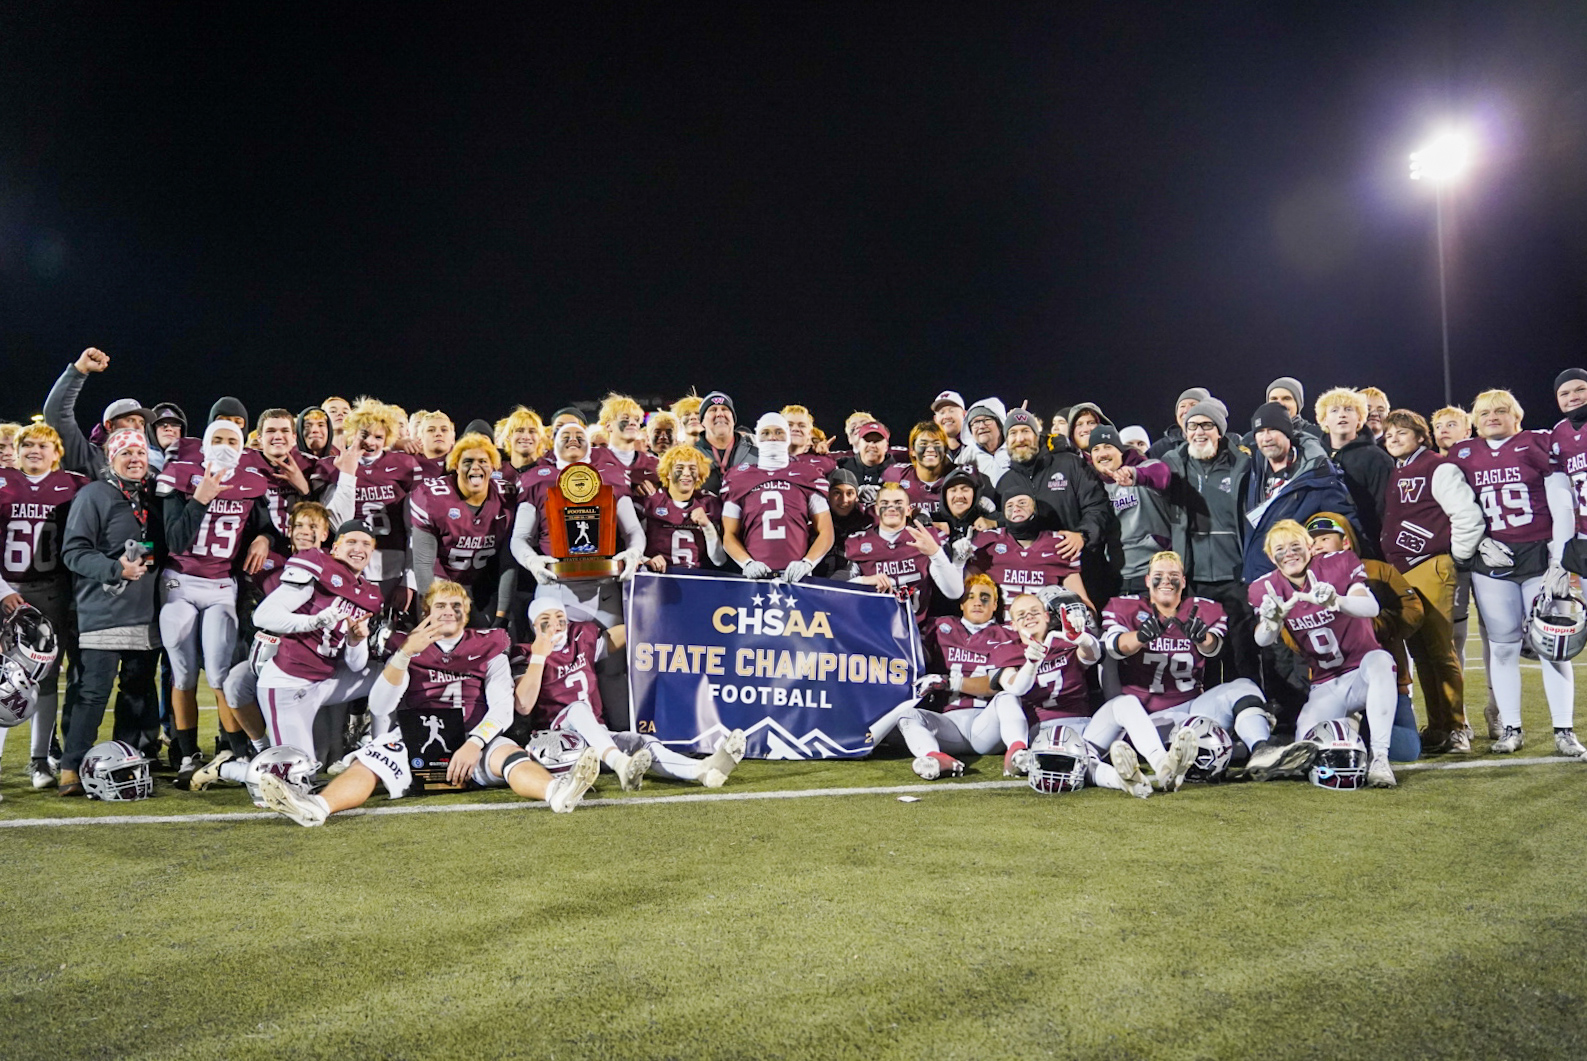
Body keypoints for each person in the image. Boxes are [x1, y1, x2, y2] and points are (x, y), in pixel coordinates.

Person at [256, 582, 601, 826]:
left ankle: (557, 792)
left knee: (510, 757)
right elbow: (379, 706)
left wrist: (474, 743)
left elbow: (502, 708)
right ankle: (316, 807)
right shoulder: (408, 646)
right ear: (427, 611)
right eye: (440, 606)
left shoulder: (490, 644)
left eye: (456, 606)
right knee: (366, 766)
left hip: (474, 735)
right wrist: (405, 654)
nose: (449, 612)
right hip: (415, 738)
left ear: (466, 612)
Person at [1446, 389, 1581, 757]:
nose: (1493, 416)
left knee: (1553, 647)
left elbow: (1560, 499)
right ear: (1474, 420)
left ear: (1516, 416)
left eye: (1501, 410)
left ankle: (1564, 731)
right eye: (1485, 412)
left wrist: (1559, 555)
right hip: (1493, 560)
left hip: (1539, 556)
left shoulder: (1538, 441)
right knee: (1503, 647)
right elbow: (1455, 504)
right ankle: (1511, 728)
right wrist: (1477, 541)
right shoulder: (1463, 453)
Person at [1088, 551, 1291, 789]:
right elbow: (1114, 647)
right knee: (1127, 702)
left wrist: (1201, 638)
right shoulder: (1125, 607)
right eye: (1159, 575)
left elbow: (1213, 649)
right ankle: (1165, 759)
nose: (1166, 580)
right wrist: (1141, 637)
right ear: (1147, 580)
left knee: (1243, 686)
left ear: (1183, 581)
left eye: (1174, 575)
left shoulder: (1204, 610)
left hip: (1191, 711)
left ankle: (1263, 750)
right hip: (1144, 718)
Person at [511, 598, 746, 789]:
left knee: (642, 742)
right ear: (533, 626)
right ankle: (620, 763)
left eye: (560, 618)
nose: (555, 625)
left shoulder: (581, 639)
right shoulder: (525, 653)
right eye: (545, 620)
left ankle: (702, 770)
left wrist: (662, 612)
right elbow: (523, 705)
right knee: (578, 709)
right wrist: (540, 655)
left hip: (595, 741)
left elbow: (629, 630)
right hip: (552, 742)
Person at [155, 420, 274, 784]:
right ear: (205, 444)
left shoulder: (252, 481)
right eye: (217, 439)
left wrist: (264, 538)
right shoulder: (181, 474)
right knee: (184, 671)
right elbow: (175, 540)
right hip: (180, 581)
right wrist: (201, 497)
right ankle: (187, 751)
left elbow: (265, 524)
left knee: (221, 673)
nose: (224, 445)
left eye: (231, 440)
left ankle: (237, 751)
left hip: (222, 583)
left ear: (242, 446)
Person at [1249, 520, 1399, 787]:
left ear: (1310, 548)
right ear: (1271, 557)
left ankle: (1380, 758)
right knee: (1305, 745)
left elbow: (1370, 607)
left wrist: (1336, 601)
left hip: (1362, 673)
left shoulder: (1338, 564)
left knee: (1381, 661)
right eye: (1281, 549)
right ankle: (1348, 733)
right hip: (1325, 683)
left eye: (1296, 546)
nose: (1290, 553)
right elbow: (1262, 639)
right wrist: (1272, 621)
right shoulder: (1265, 588)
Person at [57, 428, 164, 796]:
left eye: (141, 453)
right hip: (102, 611)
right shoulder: (93, 494)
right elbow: (73, 552)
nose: (135, 460)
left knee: (136, 693)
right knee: (93, 693)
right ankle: (71, 766)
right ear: (111, 459)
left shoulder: (152, 496)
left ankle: (125, 763)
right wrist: (115, 569)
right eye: (126, 454)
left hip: (144, 612)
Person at [1379, 409, 1484, 753]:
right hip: (1403, 568)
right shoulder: (1399, 469)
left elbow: (1466, 515)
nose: (1393, 438)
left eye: (1402, 433)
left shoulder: (1437, 466)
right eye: (1389, 434)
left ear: (1421, 437)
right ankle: (1438, 726)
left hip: (1430, 565)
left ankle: (1456, 727)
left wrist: (1456, 557)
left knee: (1441, 651)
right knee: (1421, 653)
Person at [863, 573, 1032, 779]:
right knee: (906, 715)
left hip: (986, 723)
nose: (978, 602)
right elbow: (910, 651)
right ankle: (934, 758)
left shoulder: (1007, 635)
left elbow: (994, 685)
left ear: (996, 604)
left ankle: (1017, 753)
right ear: (961, 604)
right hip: (948, 723)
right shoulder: (940, 626)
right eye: (970, 597)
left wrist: (948, 682)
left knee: (1008, 697)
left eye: (985, 598)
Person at [252, 520, 385, 771]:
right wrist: (313, 621)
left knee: (395, 675)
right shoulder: (318, 565)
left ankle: (379, 750)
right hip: (288, 683)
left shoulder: (370, 594)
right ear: (334, 548)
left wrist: (357, 641)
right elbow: (263, 616)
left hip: (325, 682)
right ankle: (228, 769)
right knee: (297, 774)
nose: (359, 548)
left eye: (366, 544)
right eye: (351, 541)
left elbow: (356, 666)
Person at [0, 423, 89, 788]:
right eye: (28, 444)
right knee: (2, 679)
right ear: (18, 450)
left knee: (46, 679)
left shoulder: (73, 485)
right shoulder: (3, 481)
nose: (34, 450)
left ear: (57, 453)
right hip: (7, 590)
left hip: (51, 592)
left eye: (43, 445)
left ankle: (40, 761)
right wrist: (2, 589)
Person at [1306, 513, 1424, 762]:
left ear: (1345, 542)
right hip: (1332, 681)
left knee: (1405, 750)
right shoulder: (1300, 582)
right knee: (1314, 747)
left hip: (1383, 675)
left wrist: (1370, 626)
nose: (1317, 546)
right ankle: (1350, 728)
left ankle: (1365, 732)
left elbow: (1413, 610)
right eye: (1312, 541)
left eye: (1324, 539)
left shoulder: (1378, 570)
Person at [995, 408, 1115, 604]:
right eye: (1013, 433)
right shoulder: (1005, 483)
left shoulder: (1070, 464)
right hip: (1033, 580)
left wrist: (1083, 535)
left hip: (1081, 569)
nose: (1020, 438)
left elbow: (1098, 506)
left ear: (1037, 435)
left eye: (1026, 431)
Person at [312, 399, 424, 604]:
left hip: (391, 561)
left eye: (378, 437)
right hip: (346, 561)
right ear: (352, 432)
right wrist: (346, 472)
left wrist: (409, 579)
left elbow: (415, 528)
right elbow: (335, 523)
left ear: (388, 438)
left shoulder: (404, 465)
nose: (371, 442)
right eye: (364, 434)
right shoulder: (330, 466)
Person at [1239, 401, 1357, 582]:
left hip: (1301, 582)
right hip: (1258, 578)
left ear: (1287, 433)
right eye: (1260, 432)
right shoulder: (1253, 471)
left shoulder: (1318, 475)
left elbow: (1347, 524)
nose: (1266, 437)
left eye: (1273, 430)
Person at [408, 432, 516, 627]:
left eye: (483, 461)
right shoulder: (432, 498)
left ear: (493, 467)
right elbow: (423, 563)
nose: (475, 467)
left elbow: (508, 561)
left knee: (494, 641)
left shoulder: (506, 497)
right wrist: (432, 606)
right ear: (456, 466)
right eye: (468, 461)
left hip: (482, 584)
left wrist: (503, 612)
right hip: (441, 582)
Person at [722, 413, 833, 583]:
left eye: (779, 432)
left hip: (798, 577)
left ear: (788, 437)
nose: (772, 437)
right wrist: (747, 563)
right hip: (755, 577)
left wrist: (807, 563)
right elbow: (729, 534)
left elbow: (826, 531)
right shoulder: (738, 477)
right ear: (756, 438)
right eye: (765, 433)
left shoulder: (807, 473)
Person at [841, 482, 963, 621]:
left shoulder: (925, 537)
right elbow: (837, 591)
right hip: (873, 630)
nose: (891, 507)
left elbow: (954, 592)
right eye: (885, 503)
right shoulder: (858, 542)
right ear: (876, 509)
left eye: (898, 503)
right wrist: (863, 581)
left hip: (915, 629)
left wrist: (935, 553)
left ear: (907, 509)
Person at [967, 491, 1091, 616]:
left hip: (1044, 627)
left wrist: (1086, 618)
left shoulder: (1059, 544)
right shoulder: (987, 541)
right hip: (1000, 628)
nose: (1016, 508)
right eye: (1009, 506)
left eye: (1022, 503)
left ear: (1035, 509)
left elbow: (1082, 601)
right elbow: (966, 592)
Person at [43, 347, 154, 480]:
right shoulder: (85, 456)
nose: (138, 427)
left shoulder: (149, 467)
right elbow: (57, 414)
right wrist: (79, 371)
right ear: (109, 425)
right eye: (130, 420)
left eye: (141, 423)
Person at [1088, 424, 1172, 593]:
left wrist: (1136, 476)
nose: (1102, 453)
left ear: (1121, 450)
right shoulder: (1093, 486)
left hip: (1154, 574)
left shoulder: (1143, 469)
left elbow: (1162, 474)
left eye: (1108, 447)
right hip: (1115, 580)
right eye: (1096, 449)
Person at [1315, 388, 1393, 559]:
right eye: (1334, 410)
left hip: (1367, 550)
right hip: (1321, 552)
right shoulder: (1315, 457)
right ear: (1324, 420)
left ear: (1360, 419)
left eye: (1349, 409)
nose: (1342, 415)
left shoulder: (1377, 458)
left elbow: (1385, 511)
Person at [642, 445, 725, 572]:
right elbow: (631, 545)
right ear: (668, 473)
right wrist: (646, 559)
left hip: (693, 578)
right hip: (656, 576)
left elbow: (719, 560)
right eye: (680, 468)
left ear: (699, 475)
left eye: (692, 468)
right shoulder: (650, 502)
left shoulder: (709, 503)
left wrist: (707, 526)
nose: (686, 473)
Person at [596, 393, 660, 497]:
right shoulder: (592, 459)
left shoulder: (655, 465)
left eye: (636, 419)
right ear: (608, 426)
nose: (632, 423)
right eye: (625, 419)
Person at [694, 391, 756, 494]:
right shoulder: (690, 455)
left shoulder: (756, 451)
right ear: (702, 422)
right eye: (713, 410)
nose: (719, 414)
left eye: (725, 409)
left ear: (733, 419)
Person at [882, 422, 951, 510]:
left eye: (936, 443)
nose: (930, 449)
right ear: (912, 451)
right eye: (923, 444)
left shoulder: (957, 477)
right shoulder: (896, 475)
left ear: (945, 450)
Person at [836, 419, 895, 500]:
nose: (871, 445)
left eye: (877, 441)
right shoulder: (842, 466)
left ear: (886, 446)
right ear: (859, 444)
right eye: (867, 440)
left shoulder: (898, 471)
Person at [1147, 388, 1211, 459]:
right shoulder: (1160, 448)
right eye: (1182, 406)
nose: (1186, 410)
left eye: (1193, 405)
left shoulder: (1222, 446)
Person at [1260, 376, 1323, 440]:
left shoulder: (1319, 435)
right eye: (1274, 399)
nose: (1279, 403)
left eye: (1286, 398)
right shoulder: (1253, 438)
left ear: (1298, 404)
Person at [929, 391, 969, 465]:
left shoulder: (977, 445)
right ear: (935, 419)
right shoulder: (929, 450)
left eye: (951, 411)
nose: (947, 416)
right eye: (942, 412)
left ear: (964, 414)